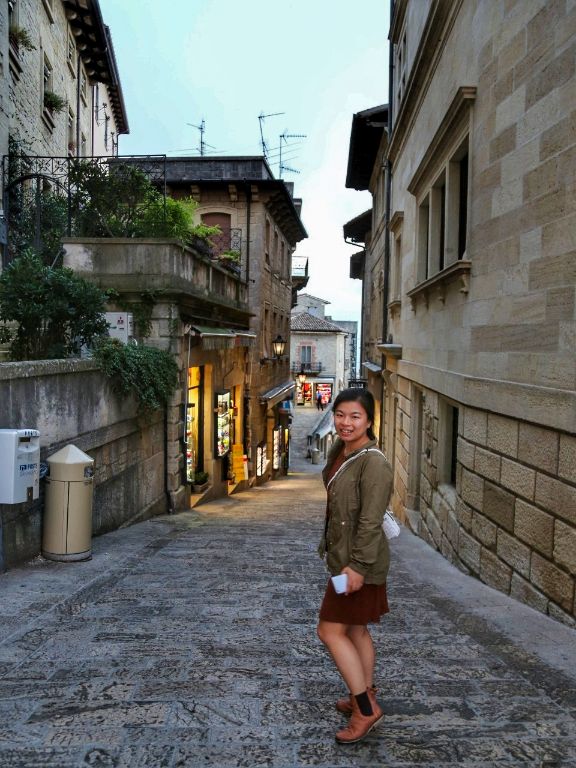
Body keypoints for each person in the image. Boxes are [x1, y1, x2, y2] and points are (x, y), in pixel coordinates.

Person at [316, 387, 392, 744]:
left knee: (329, 631)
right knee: (356, 630)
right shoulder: (342, 450)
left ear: (369, 421)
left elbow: (370, 521)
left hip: (359, 564)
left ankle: (365, 709)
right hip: (344, 560)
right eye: (340, 414)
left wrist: (358, 566)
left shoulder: (373, 463)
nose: (346, 422)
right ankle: (365, 692)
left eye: (355, 416)